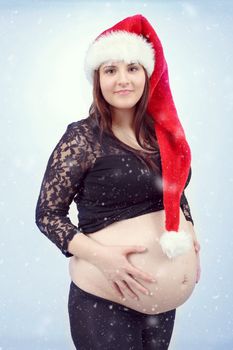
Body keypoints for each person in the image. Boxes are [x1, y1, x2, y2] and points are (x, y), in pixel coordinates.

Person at [35, 14, 201, 350]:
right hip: (104, 301)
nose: (122, 80)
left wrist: (189, 230)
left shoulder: (161, 136)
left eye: (132, 68)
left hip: (161, 309)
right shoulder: (83, 138)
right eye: (110, 70)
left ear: (147, 75)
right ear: (97, 79)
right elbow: (47, 214)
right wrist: (102, 257)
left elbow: (174, 190)